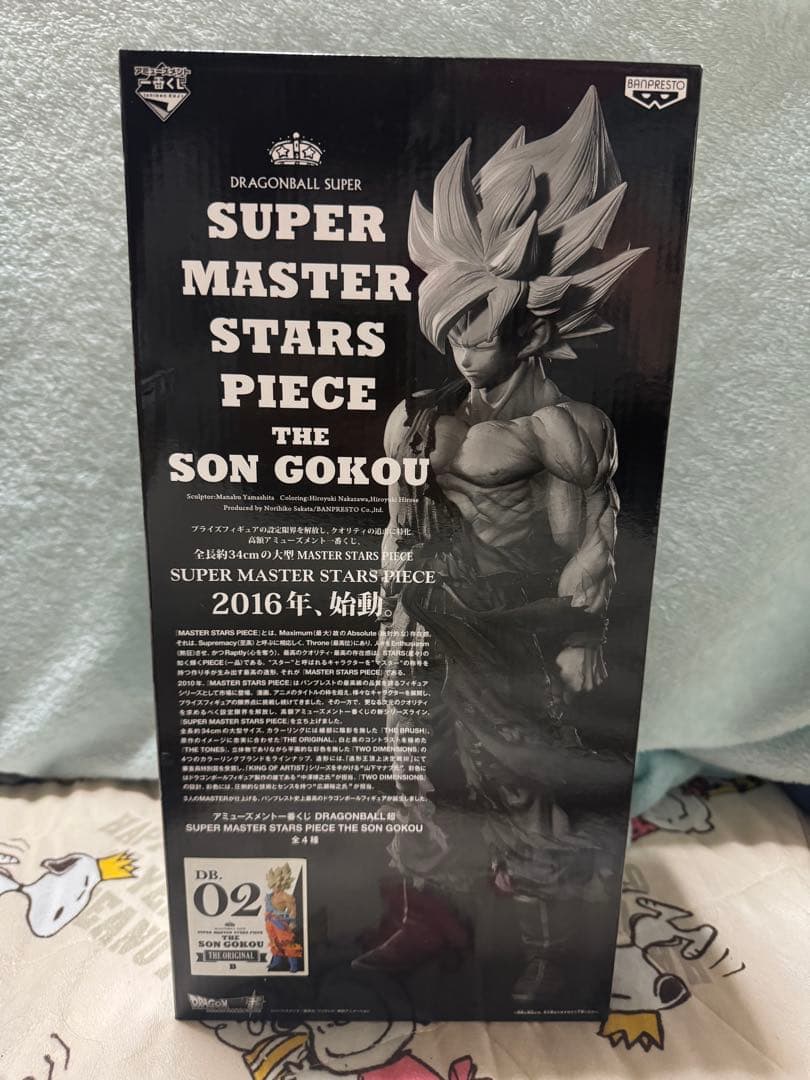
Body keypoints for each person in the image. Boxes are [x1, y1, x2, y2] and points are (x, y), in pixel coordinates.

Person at [353, 88, 644, 1005]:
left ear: (531, 325)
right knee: (412, 773)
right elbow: (397, 521)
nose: (462, 349)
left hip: (506, 626)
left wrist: (583, 633)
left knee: (520, 784)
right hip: (421, 620)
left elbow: (588, 542)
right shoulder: (418, 416)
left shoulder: (562, 428)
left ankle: (551, 951)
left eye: (478, 333)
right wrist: (388, 601)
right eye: (450, 331)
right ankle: (427, 918)